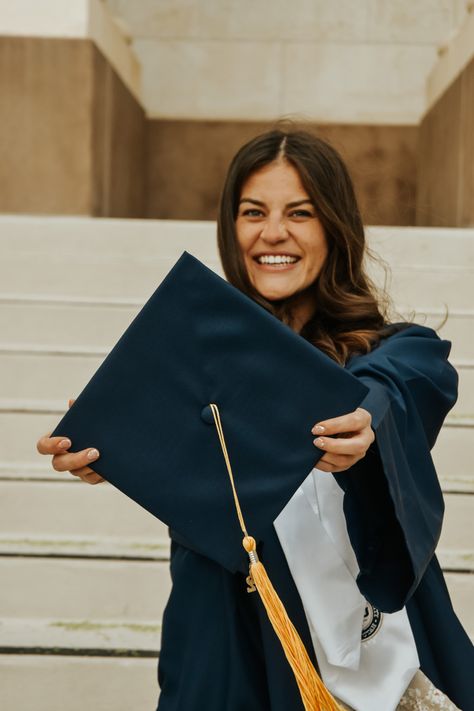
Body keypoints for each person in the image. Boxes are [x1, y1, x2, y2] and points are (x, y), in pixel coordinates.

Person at [36, 130, 473, 711]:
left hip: (389, 659)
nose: (273, 233)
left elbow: (391, 390)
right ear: (230, 227)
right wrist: (110, 444)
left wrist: (364, 423)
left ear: (335, 228)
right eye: (252, 212)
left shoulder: (399, 355)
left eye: (301, 213)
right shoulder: (194, 379)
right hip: (238, 651)